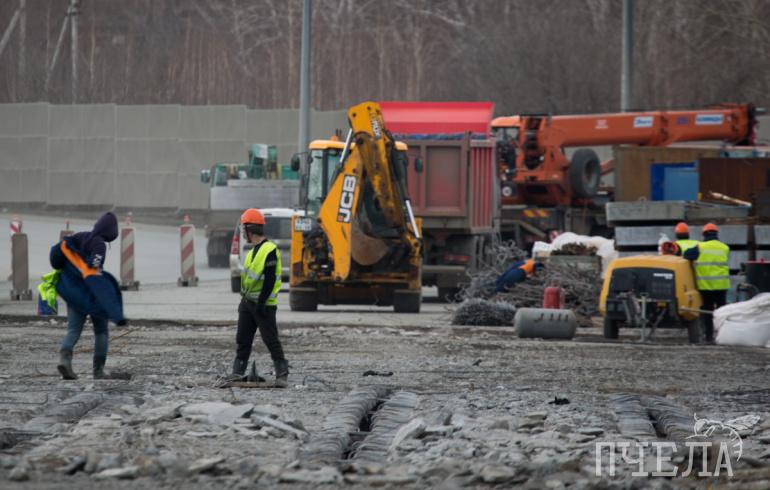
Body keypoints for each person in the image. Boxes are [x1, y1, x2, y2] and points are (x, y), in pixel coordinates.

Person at [50, 212, 127, 379]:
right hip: (91, 293)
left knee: (73, 329)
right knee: (101, 331)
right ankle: (98, 371)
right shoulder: (99, 244)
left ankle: (65, 360)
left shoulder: (79, 236)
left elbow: (57, 258)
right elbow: (94, 266)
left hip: (73, 291)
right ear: (110, 231)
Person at [230, 208, 289, 387]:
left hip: (263, 305)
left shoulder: (269, 250)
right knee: (243, 340)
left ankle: (282, 372)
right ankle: (237, 373)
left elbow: (270, 280)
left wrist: (262, 303)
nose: (243, 233)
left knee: (270, 340)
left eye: (244, 229)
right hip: (248, 304)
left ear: (250, 229)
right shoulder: (252, 251)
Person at [684, 223, 730, 342]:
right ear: (716, 234)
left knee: (707, 313)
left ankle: (709, 337)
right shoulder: (725, 247)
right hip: (722, 286)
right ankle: (723, 336)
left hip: (706, 286)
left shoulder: (700, 247)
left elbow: (686, 255)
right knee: (722, 312)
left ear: (703, 234)